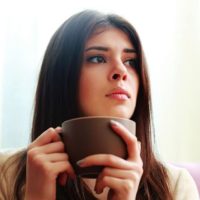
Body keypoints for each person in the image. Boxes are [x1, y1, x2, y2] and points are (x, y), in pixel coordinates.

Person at [0, 10, 199, 200]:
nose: (121, 71)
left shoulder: (176, 185)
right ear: (61, 75)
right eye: (97, 58)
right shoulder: (4, 173)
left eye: (131, 62)